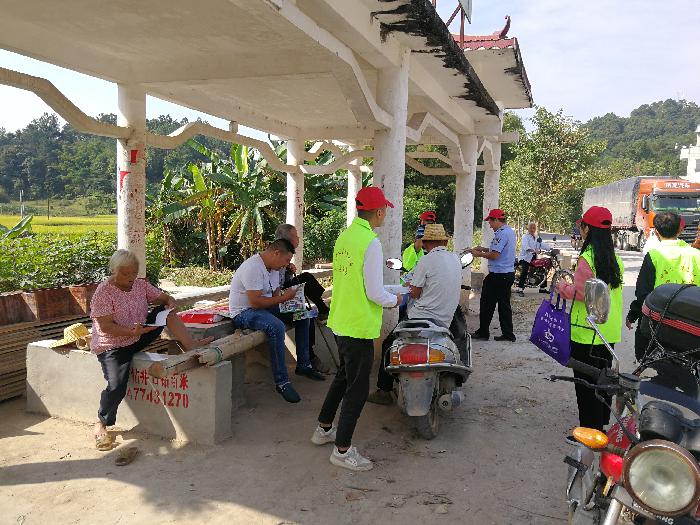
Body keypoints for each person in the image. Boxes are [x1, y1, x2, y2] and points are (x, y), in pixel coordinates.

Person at [311, 186, 401, 471]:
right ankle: (342, 450)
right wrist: (395, 300)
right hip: (359, 326)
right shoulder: (371, 242)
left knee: (344, 377)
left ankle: (324, 428)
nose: (385, 214)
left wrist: (391, 292)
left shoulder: (345, 237)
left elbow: (357, 283)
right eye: (384, 210)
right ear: (378, 212)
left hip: (340, 321)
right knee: (358, 389)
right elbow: (374, 293)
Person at [90, 249, 214, 450]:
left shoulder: (140, 285)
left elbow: (163, 298)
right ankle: (101, 422)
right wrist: (130, 332)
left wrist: (170, 302)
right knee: (116, 385)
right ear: (114, 271)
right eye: (125, 273)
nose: (130, 277)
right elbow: (105, 326)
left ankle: (189, 344)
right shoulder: (104, 292)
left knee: (166, 312)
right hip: (113, 344)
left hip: (139, 333)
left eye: (133, 273)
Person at [368, 223, 462, 405]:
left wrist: (406, 289)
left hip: (420, 317)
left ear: (425, 243)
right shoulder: (455, 259)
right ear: (445, 242)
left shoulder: (426, 261)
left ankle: (384, 390)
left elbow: (415, 293)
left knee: (388, 344)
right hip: (444, 320)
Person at [229, 239, 324, 404]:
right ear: (276, 253)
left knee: (303, 315)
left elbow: (274, 297)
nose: (286, 264)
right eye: (286, 260)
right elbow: (255, 303)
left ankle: (304, 365)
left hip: (265, 308)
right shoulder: (253, 267)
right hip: (244, 312)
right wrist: (284, 298)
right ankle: (282, 382)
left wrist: (290, 299)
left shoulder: (274, 268)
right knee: (276, 327)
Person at [558, 206, 624, 431]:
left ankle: (589, 432)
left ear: (588, 229)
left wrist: (562, 287)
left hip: (587, 332)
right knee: (604, 381)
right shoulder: (615, 259)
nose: (581, 230)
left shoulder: (587, 258)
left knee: (586, 385)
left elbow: (580, 293)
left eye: (582, 226)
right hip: (608, 332)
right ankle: (600, 426)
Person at [626, 211, 700, 361]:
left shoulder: (654, 256)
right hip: (691, 322)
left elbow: (643, 294)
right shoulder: (695, 254)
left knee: (654, 361)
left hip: (659, 321)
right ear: (680, 230)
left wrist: (633, 314)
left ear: (656, 232)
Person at [275, 223, 331, 373]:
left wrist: (288, 270)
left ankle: (322, 309)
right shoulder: (276, 254)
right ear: (288, 239)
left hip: (283, 290)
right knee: (305, 312)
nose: (299, 239)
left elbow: (282, 279)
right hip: (276, 298)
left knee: (305, 279)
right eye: (296, 236)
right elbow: (274, 286)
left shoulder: (286, 254)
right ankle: (310, 357)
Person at [470, 209, 517, 342]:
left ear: (496, 220)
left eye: (490, 221)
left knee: (486, 303)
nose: (490, 225)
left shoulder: (501, 233)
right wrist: (483, 249)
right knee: (504, 305)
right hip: (506, 274)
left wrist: (478, 254)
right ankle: (508, 334)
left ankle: (483, 332)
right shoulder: (509, 231)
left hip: (498, 275)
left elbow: (495, 255)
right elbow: (498, 250)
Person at [515, 222, 550, 297]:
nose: (532, 229)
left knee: (542, 269)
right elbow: (525, 246)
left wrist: (551, 248)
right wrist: (532, 250)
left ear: (536, 229)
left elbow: (542, 244)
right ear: (528, 228)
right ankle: (520, 288)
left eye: (534, 228)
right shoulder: (525, 237)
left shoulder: (537, 237)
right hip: (525, 257)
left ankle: (542, 288)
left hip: (533, 257)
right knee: (525, 271)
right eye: (531, 227)